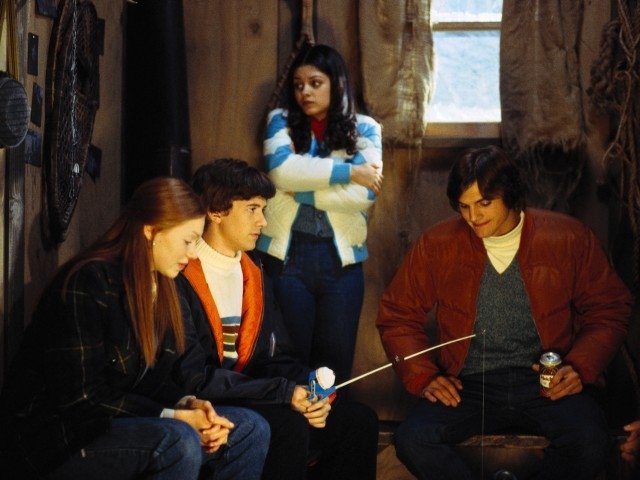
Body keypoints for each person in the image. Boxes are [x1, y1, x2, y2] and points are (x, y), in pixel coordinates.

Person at [376, 145, 633, 480]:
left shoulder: (569, 237)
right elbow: (397, 315)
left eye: (484, 203)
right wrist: (424, 376)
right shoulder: (436, 244)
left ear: (510, 194)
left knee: (590, 441)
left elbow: (609, 307)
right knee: (413, 439)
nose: (473, 217)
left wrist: (580, 367)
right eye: (464, 206)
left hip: (545, 381)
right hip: (469, 384)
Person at [0, 177, 269, 479]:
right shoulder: (89, 281)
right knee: (177, 440)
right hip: (61, 439)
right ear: (151, 231)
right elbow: (81, 399)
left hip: (121, 424)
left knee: (249, 428)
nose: (193, 253)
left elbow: (152, 380)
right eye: (187, 240)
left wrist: (188, 404)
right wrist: (172, 416)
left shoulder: (163, 286)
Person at [174, 158, 378, 480]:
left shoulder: (255, 271)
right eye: (252, 209)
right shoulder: (179, 271)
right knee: (289, 426)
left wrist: (312, 391)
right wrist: (283, 393)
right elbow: (193, 377)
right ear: (215, 211)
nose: (263, 221)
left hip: (256, 393)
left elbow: (276, 357)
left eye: (264, 209)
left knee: (358, 420)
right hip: (207, 401)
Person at [256, 43, 383, 385]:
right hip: (286, 258)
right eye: (298, 85)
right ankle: (295, 422)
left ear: (336, 84)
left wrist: (303, 192)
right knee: (290, 363)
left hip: (341, 264)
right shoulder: (280, 121)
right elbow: (281, 172)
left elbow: (364, 195)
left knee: (334, 368)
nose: (305, 93)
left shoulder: (366, 128)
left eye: (315, 83)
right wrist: (350, 172)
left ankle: (331, 422)